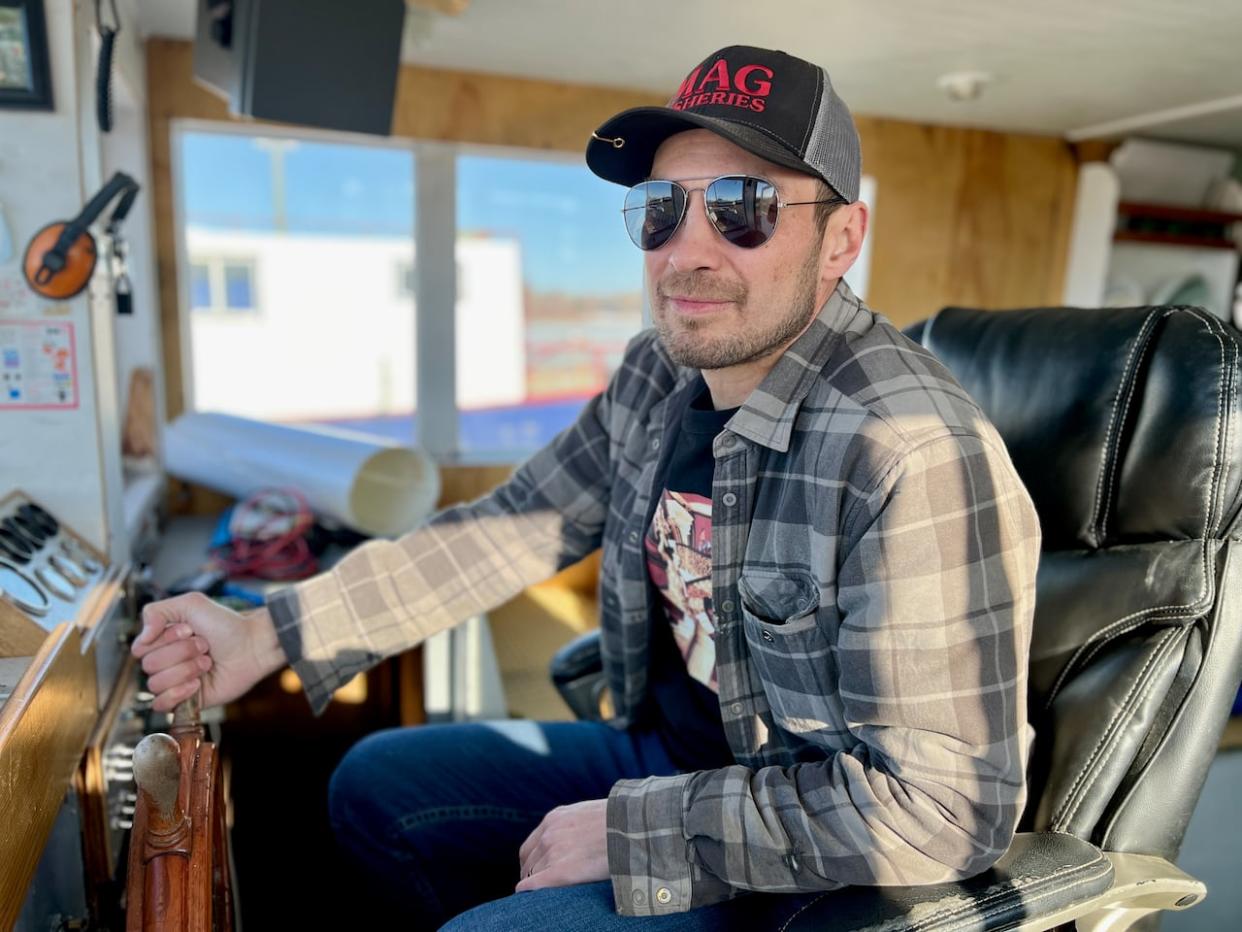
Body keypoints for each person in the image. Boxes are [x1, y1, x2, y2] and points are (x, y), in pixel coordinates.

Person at [133, 45, 1041, 931]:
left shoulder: (910, 453)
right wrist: (268, 634)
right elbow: (507, 529)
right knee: (375, 787)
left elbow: (944, 810)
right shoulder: (658, 374)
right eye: (660, 209)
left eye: (743, 207)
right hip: (668, 753)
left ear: (841, 237)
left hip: (812, 852)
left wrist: (632, 831)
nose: (686, 251)